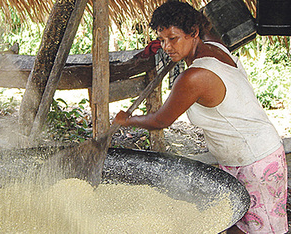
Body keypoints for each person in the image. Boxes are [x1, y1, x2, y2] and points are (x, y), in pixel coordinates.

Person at [113, 1, 288, 233]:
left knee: (265, 229)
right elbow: (205, 27)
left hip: (255, 162)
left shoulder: (193, 78)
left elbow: (161, 121)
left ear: (194, 32)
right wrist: (180, 36)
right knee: (236, 225)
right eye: (162, 40)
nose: (166, 47)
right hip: (244, 155)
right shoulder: (216, 46)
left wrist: (127, 120)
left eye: (173, 39)